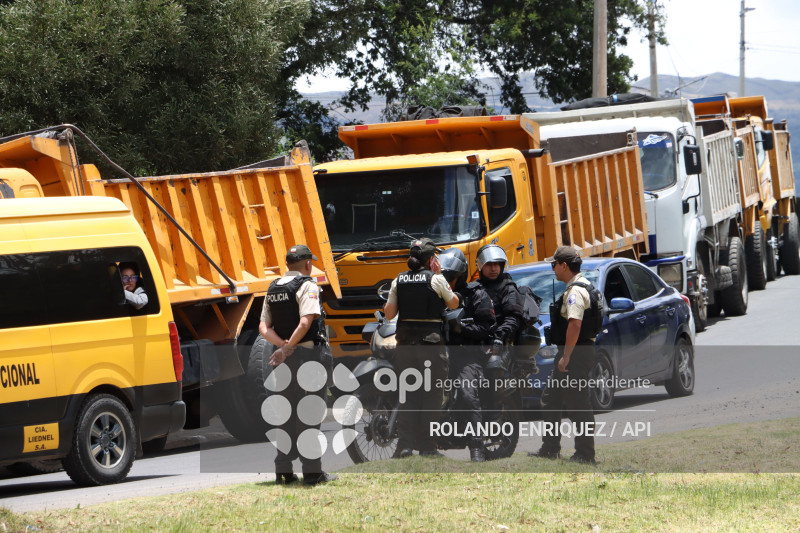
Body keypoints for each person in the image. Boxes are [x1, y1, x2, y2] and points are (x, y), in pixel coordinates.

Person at [259, 244, 336, 485]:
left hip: (281, 360)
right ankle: (312, 473)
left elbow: (264, 328)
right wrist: (289, 346)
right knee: (309, 412)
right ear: (307, 264)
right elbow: (305, 323)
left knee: (284, 412)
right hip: (307, 358)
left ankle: (283, 471)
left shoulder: (273, 288)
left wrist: (281, 348)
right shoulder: (307, 285)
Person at [384, 238, 459, 458]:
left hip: (405, 347)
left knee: (408, 396)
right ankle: (428, 447)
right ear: (430, 259)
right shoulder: (436, 279)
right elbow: (453, 303)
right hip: (431, 348)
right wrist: (441, 277)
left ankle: (405, 447)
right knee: (431, 397)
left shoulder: (399, 280)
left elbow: (389, 314)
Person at [529, 245, 597, 464]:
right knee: (551, 399)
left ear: (564, 265)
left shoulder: (576, 291)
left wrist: (566, 356)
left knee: (578, 404)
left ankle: (585, 454)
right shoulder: (582, 284)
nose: (553, 268)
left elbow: (575, 325)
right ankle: (550, 448)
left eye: (554, 264)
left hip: (575, 353)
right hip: (577, 351)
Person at [440, 248, 495, 462]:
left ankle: (476, 446)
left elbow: (486, 329)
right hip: (439, 353)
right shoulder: (438, 293)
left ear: (460, 276)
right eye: (444, 278)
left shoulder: (477, 295)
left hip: (468, 355)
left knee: (466, 393)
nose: (447, 282)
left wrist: (461, 329)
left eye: (450, 278)